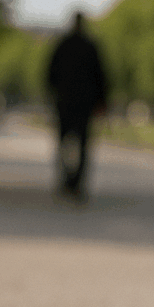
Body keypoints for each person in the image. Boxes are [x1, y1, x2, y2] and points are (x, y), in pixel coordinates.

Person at [46, 12, 108, 200]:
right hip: (84, 103)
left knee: (63, 144)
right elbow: (101, 77)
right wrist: (101, 102)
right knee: (82, 145)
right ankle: (76, 183)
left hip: (65, 102)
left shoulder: (62, 45)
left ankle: (66, 181)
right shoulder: (90, 46)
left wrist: (54, 95)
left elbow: (50, 74)